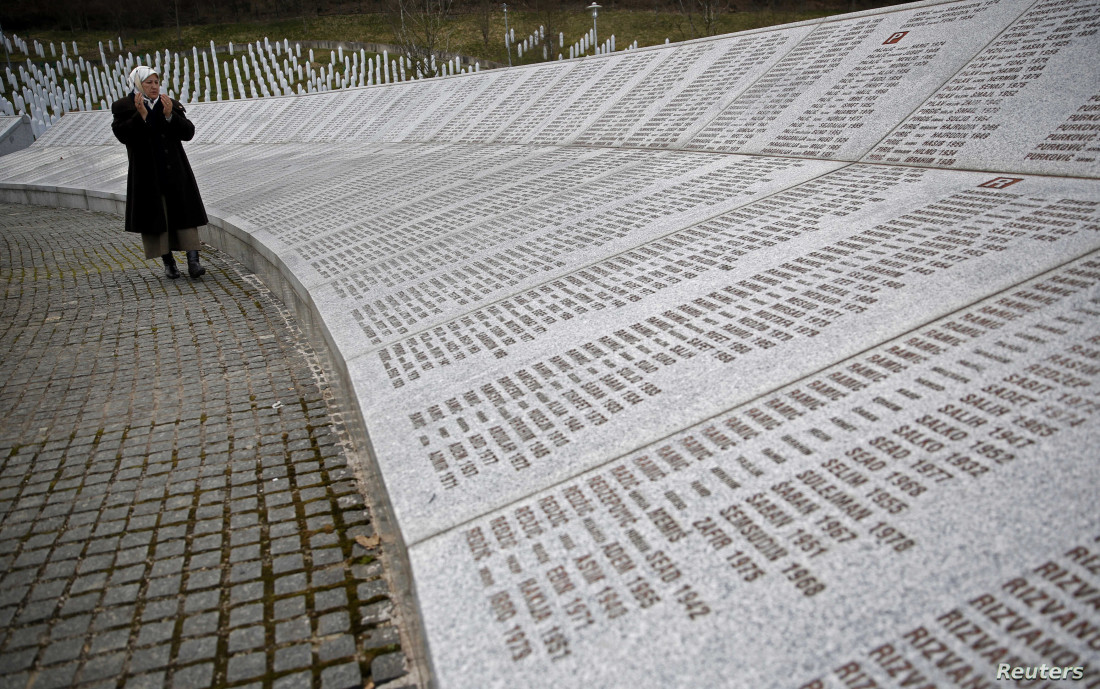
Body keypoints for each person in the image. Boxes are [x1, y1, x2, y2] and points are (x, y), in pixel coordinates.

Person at [111, 66, 208, 279]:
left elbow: (188, 132)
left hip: (176, 170)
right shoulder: (125, 108)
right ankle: (169, 263)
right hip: (148, 175)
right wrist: (143, 117)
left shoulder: (168, 104)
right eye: (149, 83)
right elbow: (123, 135)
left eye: (156, 82)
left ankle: (193, 261)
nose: (154, 87)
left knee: (185, 217)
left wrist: (168, 116)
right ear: (137, 85)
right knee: (158, 219)